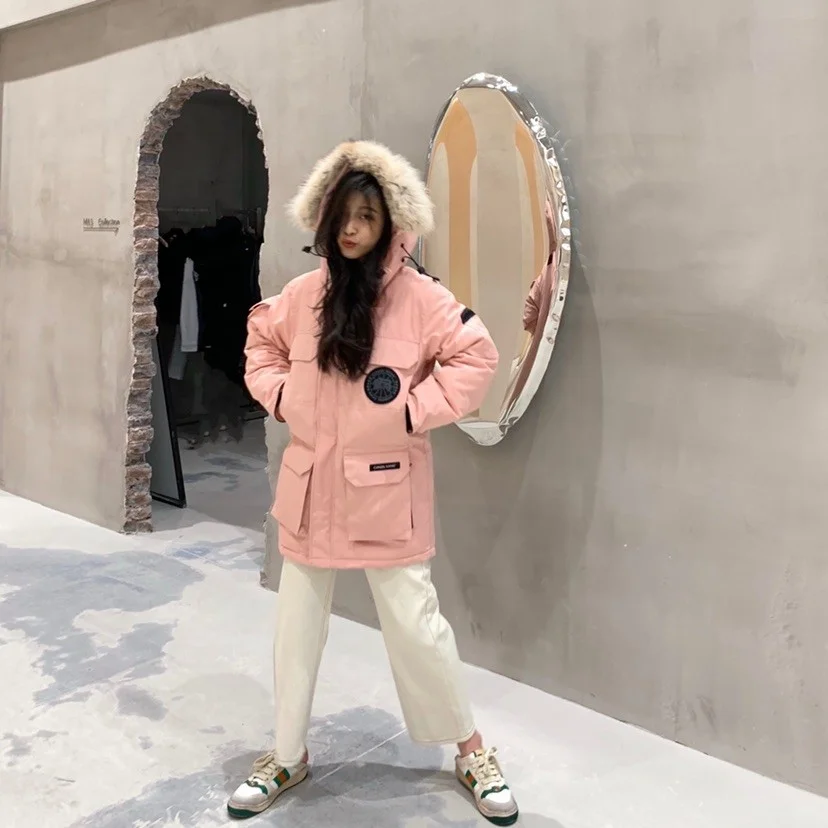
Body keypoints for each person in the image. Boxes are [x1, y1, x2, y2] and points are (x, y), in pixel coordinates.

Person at [228, 141, 518, 826]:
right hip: (309, 491)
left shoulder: (420, 298)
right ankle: (286, 753)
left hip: (385, 490)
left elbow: (477, 356)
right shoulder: (303, 296)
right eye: (344, 215)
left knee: (416, 626)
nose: (353, 229)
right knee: (296, 627)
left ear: (391, 223)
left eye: (368, 216)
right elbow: (260, 344)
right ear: (326, 218)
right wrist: (281, 397)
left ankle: (470, 749)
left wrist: (413, 412)